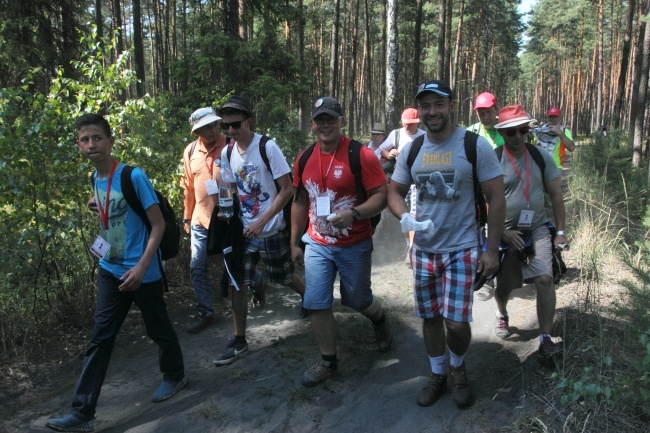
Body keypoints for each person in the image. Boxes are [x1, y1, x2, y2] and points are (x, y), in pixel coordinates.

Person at [46, 114, 186, 432]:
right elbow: (111, 216)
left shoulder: (133, 176)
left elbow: (159, 224)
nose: (91, 144)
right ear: (79, 145)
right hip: (110, 269)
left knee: (159, 328)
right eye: (85, 139)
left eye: (97, 137)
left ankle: (175, 375)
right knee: (100, 337)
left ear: (110, 141)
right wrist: (97, 207)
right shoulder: (94, 179)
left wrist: (141, 266)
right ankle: (82, 412)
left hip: (142, 271)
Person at [387, 80, 505, 408]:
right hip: (424, 249)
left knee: (455, 321)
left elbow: (496, 198)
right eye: (425, 106)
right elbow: (394, 192)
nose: (431, 112)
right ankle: (438, 372)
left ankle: (458, 367)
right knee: (430, 317)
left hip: (462, 247)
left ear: (451, 106)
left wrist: (491, 250)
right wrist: (404, 218)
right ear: (419, 110)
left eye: (438, 104)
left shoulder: (472, 145)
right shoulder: (412, 148)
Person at [291, 96, 392, 387]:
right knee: (316, 302)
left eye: (331, 119)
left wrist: (355, 213)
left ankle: (380, 319)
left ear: (341, 121)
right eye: (320, 119)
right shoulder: (305, 158)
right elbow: (299, 202)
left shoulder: (361, 155)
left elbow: (381, 196)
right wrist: (294, 242)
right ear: (312, 124)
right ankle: (328, 361)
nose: (325, 125)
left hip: (354, 243)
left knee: (357, 300)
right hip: (318, 243)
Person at [213, 95, 305, 365]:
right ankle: (239, 340)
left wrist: (262, 221)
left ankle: (310, 299)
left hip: (270, 228)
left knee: (284, 277)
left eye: (236, 124)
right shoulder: (227, 152)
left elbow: (287, 189)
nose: (231, 130)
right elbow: (230, 188)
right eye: (227, 126)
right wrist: (225, 209)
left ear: (249, 121)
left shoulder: (267, 147)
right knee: (237, 283)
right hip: (244, 232)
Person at [491, 105, 568, 356]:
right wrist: (501, 230)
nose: (517, 137)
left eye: (522, 130)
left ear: (528, 131)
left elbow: (556, 196)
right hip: (506, 233)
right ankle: (502, 313)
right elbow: (483, 200)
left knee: (545, 279)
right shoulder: (493, 158)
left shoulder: (539, 156)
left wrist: (560, 232)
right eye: (510, 132)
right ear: (502, 133)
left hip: (536, 228)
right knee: (507, 286)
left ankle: (545, 337)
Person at [181, 107, 229, 333]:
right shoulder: (190, 151)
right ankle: (206, 312)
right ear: (197, 130)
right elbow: (188, 188)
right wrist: (186, 217)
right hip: (200, 221)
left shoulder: (230, 145)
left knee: (232, 264)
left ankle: (257, 283)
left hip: (228, 220)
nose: (213, 130)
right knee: (197, 266)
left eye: (215, 125)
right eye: (207, 127)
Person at [378, 108, 426, 264]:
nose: (409, 127)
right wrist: (389, 153)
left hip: (418, 182)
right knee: (404, 216)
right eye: (406, 124)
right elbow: (382, 149)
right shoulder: (396, 134)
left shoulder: (424, 136)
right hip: (401, 182)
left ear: (417, 123)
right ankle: (409, 246)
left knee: (414, 215)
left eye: (412, 124)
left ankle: (413, 249)